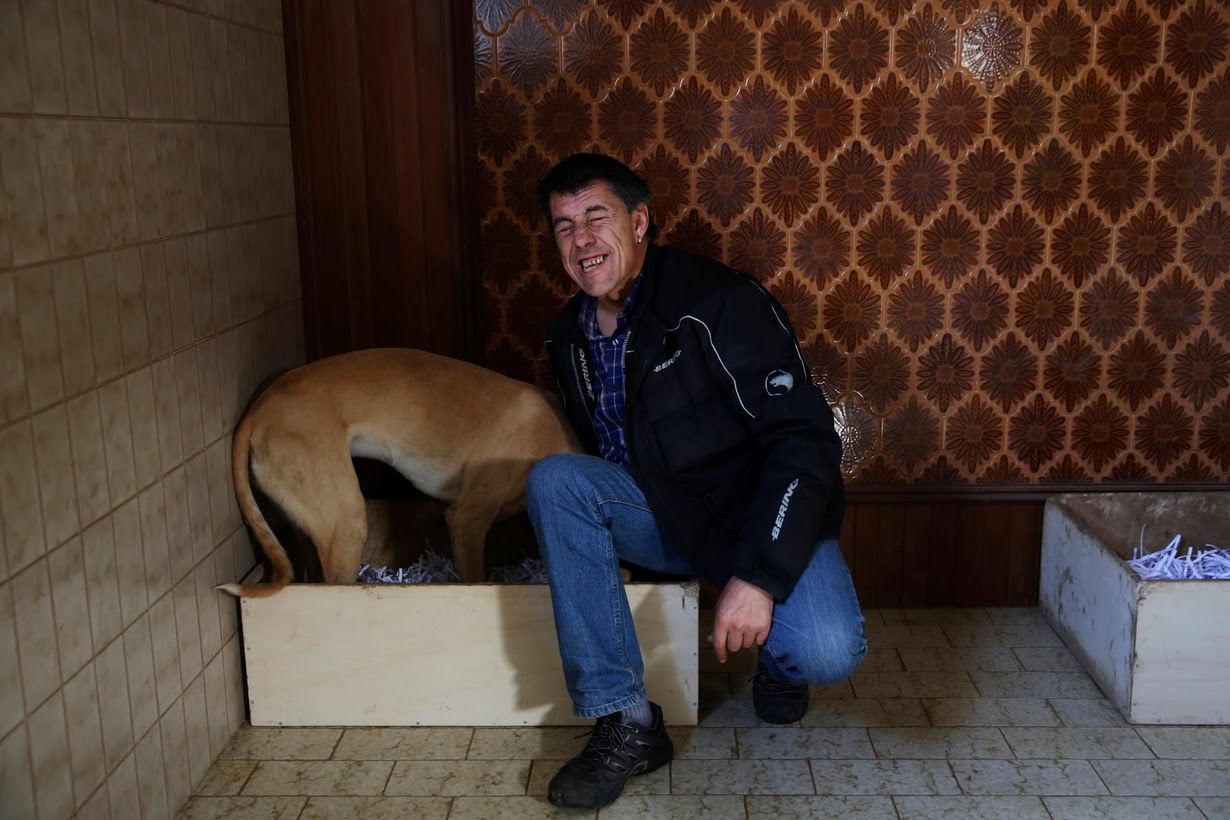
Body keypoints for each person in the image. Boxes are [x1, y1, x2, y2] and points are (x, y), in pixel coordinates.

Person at [526, 152, 867, 810]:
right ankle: (627, 722)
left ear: (641, 221)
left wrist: (761, 576)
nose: (581, 240)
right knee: (556, 481)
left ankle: (778, 661)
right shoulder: (564, 335)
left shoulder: (720, 301)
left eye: (597, 217)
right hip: (659, 515)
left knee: (828, 650)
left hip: (753, 514)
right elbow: (594, 460)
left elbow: (805, 441)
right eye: (564, 227)